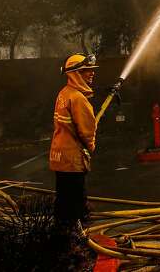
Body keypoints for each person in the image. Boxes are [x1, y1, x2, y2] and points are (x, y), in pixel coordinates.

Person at [49, 53, 98, 229]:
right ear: (76, 74)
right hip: (72, 159)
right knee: (76, 203)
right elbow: (87, 132)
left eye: (92, 70)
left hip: (60, 157)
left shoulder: (63, 94)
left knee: (63, 201)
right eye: (87, 70)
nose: (91, 73)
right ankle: (78, 239)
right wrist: (90, 147)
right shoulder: (78, 99)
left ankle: (62, 235)